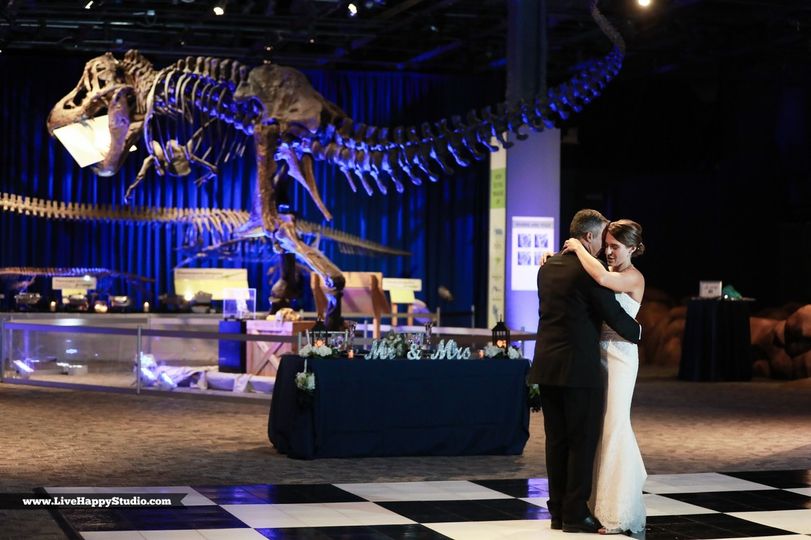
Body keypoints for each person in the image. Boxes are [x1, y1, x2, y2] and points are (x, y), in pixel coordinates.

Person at [529, 209, 641, 534]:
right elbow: (616, 316)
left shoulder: (546, 267)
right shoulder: (587, 273)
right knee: (581, 442)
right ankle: (575, 514)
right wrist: (637, 333)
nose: (606, 248)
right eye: (604, 238)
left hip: (547, 366)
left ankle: (556, 512)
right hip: (579, 369)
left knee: (556, 442)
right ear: (589, 237)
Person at [562, 219, 647, 534]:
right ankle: (598, 504)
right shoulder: (610, 271)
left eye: (616, 246)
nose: (609, 251)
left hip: (622, 358)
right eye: (607, 245)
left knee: (614, 427)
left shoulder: (633, 277)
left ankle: (615, 512)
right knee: (597, 430)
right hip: (597, 355)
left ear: (633, 249)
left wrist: (575, 246)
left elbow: (598, 275)